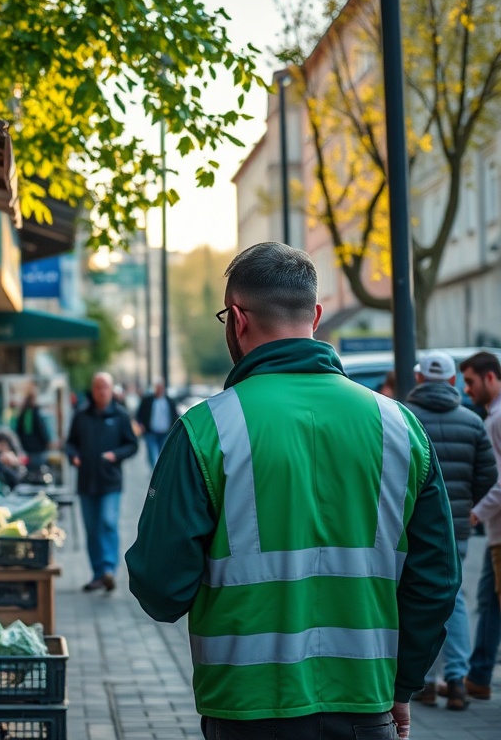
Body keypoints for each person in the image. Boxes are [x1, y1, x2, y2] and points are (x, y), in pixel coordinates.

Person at [126, 242, 459, 740]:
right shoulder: (400, 427)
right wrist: (403, 685)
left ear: (236, 319)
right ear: (317, 315)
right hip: (366, 705)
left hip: (246, 709)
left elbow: (160, 589)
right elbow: (436, 580)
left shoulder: (206, 430)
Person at [403, 351, 496, 709]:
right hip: (456, 525)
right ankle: (456, 679)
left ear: (421, 379)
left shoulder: (405, 418)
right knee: (453, 597)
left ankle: (423, 680)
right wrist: (464, 508)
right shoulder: (472, 422)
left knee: (413, 593)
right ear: (454, 381)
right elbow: (488, 476)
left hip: (410, 525)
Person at [65, 372, 138, 592]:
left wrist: (115, 455)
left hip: (110, 481)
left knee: (107, 522)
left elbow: (132, 445)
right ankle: (97, 573)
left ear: (111, 389)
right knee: (91, 528)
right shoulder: (81, 415)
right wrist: (73, 455)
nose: (101, 391)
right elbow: (70, 443)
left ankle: (109, 569)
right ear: (93, 390)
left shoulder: (120, 415)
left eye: (105, 387)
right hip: (86, 481)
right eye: (98, 387)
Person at [459, 350, 501, 699]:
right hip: (495, 534)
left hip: (498, 533)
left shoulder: (496, 420)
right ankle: (480, 675)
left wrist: (475, 513)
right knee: (487, 601)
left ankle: (479, 674)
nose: (466, 390)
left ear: (491, 378)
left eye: (471, 382)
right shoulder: (491, 418)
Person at [135, 380, 181, 468]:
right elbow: (139, 414)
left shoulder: (169, 401)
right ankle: (154, 471)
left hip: (165, 432)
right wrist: (141, 425)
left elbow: (175, 415)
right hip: (150, 432)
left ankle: (160, 470)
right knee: (152, 454)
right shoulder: (147, 400)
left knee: (163, 454)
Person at [14, 385, 51, 469]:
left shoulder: (23, 413)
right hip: (38, 449)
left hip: (27, 448)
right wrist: (46, 442)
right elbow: (42, 430)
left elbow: (19, 431)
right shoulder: (36, 413)